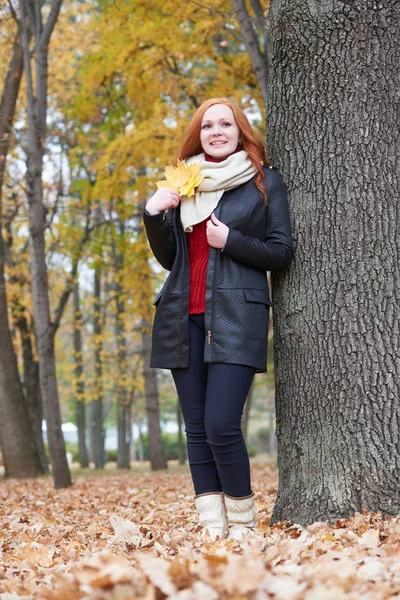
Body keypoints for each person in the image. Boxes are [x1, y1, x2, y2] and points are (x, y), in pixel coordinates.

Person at [143, 98, 293, 541]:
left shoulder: (264, 183)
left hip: (237, 315)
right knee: (196, 431)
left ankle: (243, 529)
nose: (216, 131)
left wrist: (232, 240)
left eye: (225, 123)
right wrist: (153, 214)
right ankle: (214, 530)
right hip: (181, 316)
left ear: (239, 130)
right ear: (199, 134)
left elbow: (281, 251)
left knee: (221, 425)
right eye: (208, 126)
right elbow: (171, 258)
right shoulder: (184, 185)